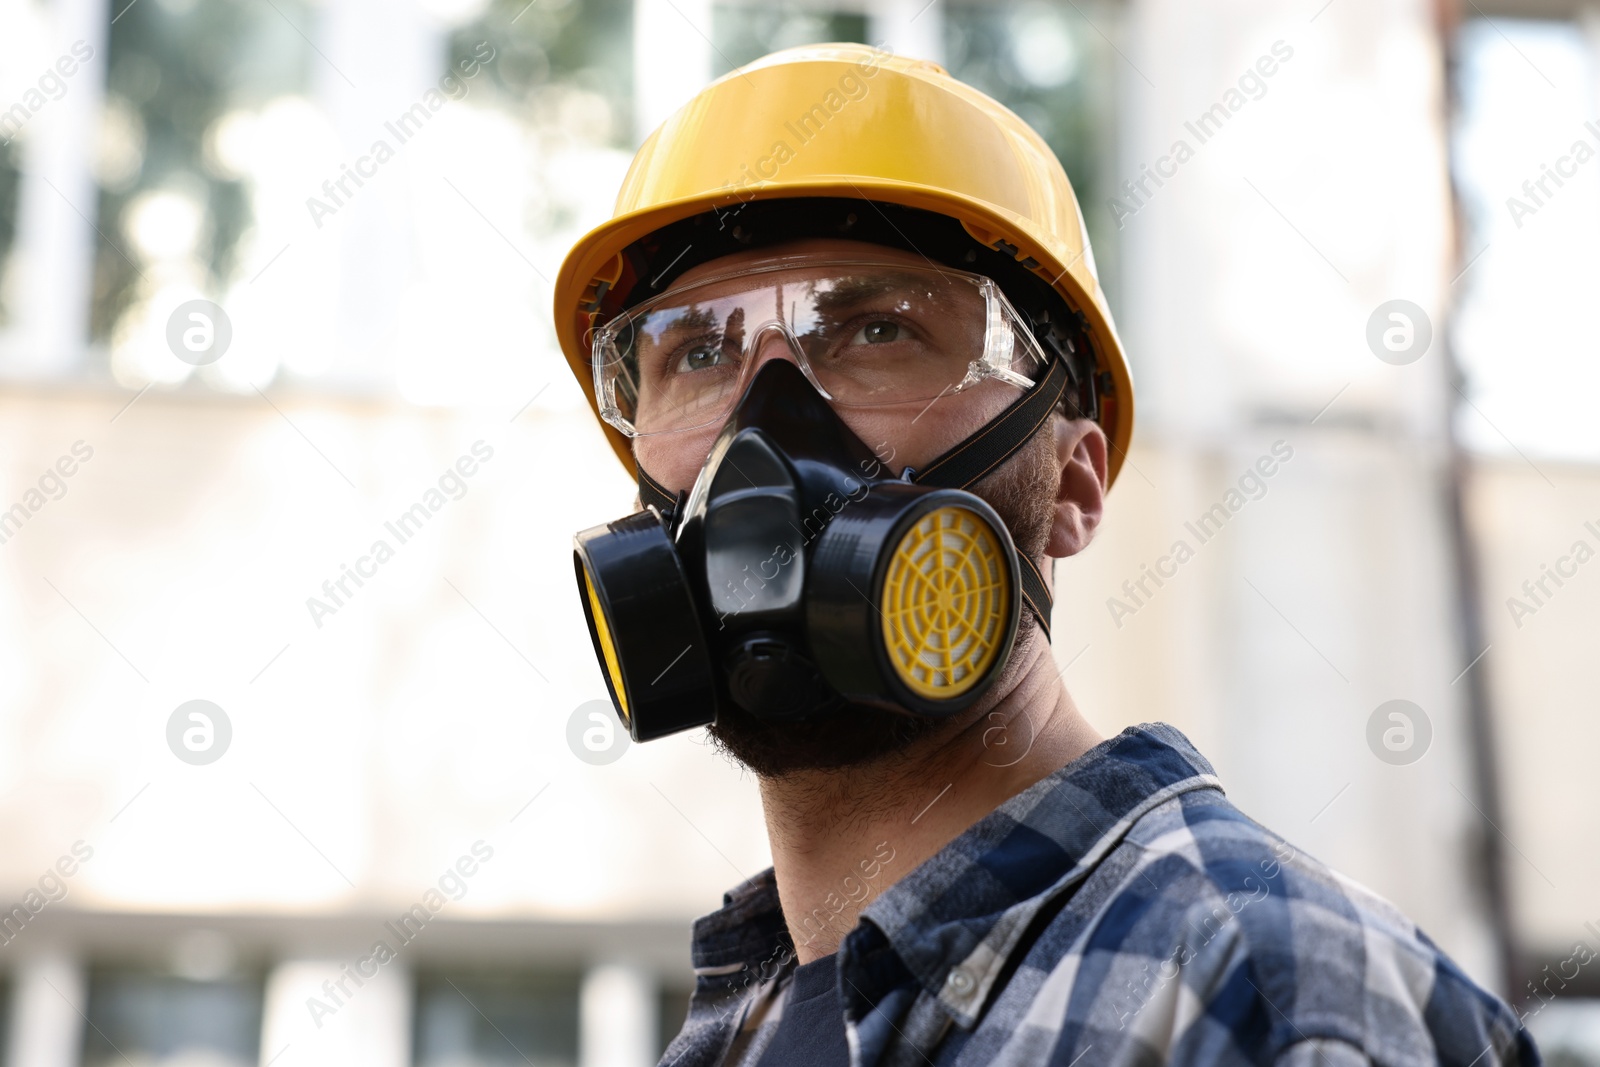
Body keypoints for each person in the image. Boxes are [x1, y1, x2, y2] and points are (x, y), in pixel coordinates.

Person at [552, 43, 1539, 1067]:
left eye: (878, 330)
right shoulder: (725, 1043)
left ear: (1074, 481)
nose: (759, 432)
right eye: (697, 352)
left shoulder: (1274, 1000)